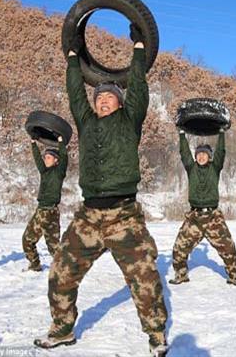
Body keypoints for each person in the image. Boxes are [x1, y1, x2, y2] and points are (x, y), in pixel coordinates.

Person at [34, 25, 168, 356]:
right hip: (89, 215)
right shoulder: (87, 122)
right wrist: (72, 58)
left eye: (109, 98)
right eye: (100, 98)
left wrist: (138, 48)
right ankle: (63, 329)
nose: (103, 101)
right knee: (60, 273)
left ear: (120, 104)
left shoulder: (130, 120)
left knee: (145, 278)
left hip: (124, 215)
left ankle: (156, 335)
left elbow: (138, 87)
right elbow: (75, 93)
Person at [169, 127, 236, 286]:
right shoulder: (191, 168)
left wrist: (221, 133)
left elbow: (221, 153)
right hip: (194, 218)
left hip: (212, 218)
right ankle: (181, 275)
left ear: (209, 157)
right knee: (178, 249)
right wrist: (182, 134)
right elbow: (184, 154)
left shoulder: (215, 168)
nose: (201, 156)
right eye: (198, 154)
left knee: (228, 247)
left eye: (204, 154)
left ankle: (233, 275)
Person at [23, 135, 67, 272]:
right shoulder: (44, 172)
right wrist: (33, 144)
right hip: (48, 211)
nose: (45, 159)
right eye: (45, 157)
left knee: (28, 240)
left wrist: (61, 143)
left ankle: (37, 265)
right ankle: (65, 269)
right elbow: (37, 159)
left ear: (56, 160)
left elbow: (64, 158)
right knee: (53, 246)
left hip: (46, 212)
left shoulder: (59, 172)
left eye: (48, 157)